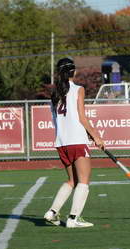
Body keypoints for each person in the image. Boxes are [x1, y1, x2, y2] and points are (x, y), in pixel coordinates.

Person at [43, 57, 105, 228]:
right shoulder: (78, 89)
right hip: (77, 141)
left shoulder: (54, 94)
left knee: (72, 181)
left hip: (62, 142)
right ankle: (73, 219)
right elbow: (82, 118)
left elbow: (59, 120)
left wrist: (89, 135)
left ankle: (52, 212)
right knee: (84, 181)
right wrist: (96, 136)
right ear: (73, 71)